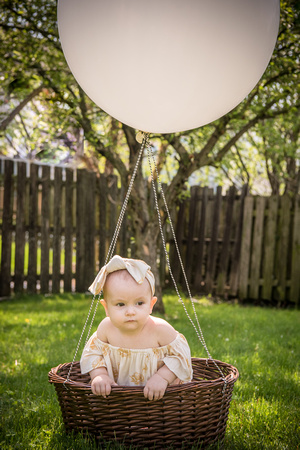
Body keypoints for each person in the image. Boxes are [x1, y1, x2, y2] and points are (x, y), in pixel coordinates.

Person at [80, 255, 193, 401]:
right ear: (106, 307)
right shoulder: (106, 328)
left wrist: (162, 377)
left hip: (160, 398)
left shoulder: (160, 330)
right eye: (121, 304)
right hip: (117, 399)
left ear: (151, 305)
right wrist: (100, 375)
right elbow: (93, 353)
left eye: (139, 303)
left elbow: (181, 357)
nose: (131, 311)